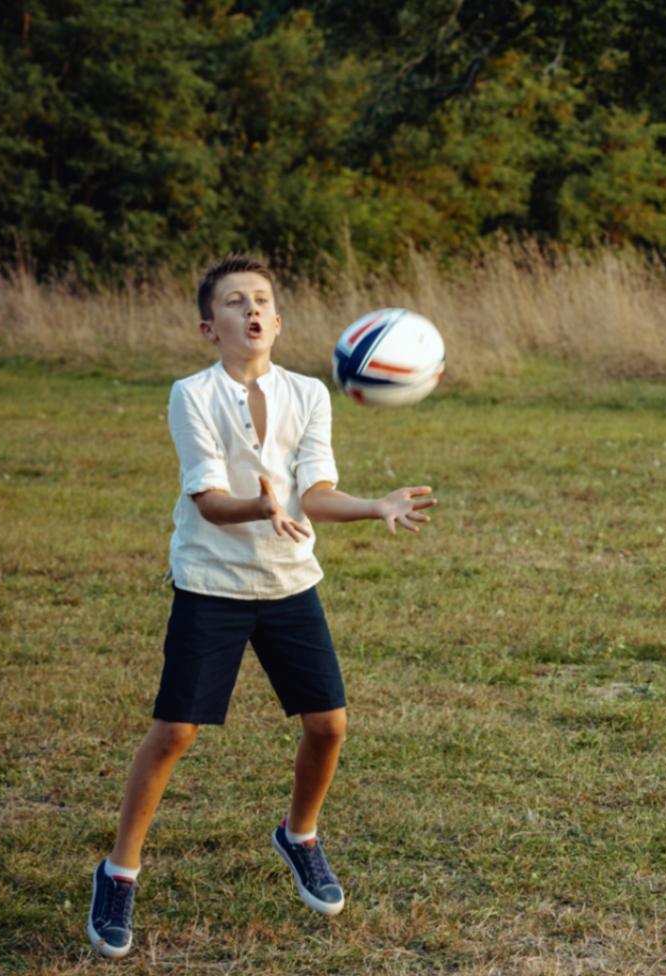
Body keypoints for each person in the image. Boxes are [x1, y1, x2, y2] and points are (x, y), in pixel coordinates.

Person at [86, 254, 438, 958]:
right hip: (211, 584)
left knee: (329, 726)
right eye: (233, 301)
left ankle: (299, 834)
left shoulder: (309, 393)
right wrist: (261, 504)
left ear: (275, 321)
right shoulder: (191, 394)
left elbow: (314, 494)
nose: (250, 309)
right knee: (175, 733)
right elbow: (211, 504)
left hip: (288, 584)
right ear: (208, 326)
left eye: (262, 300)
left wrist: (373, 506)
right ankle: (119, 871)